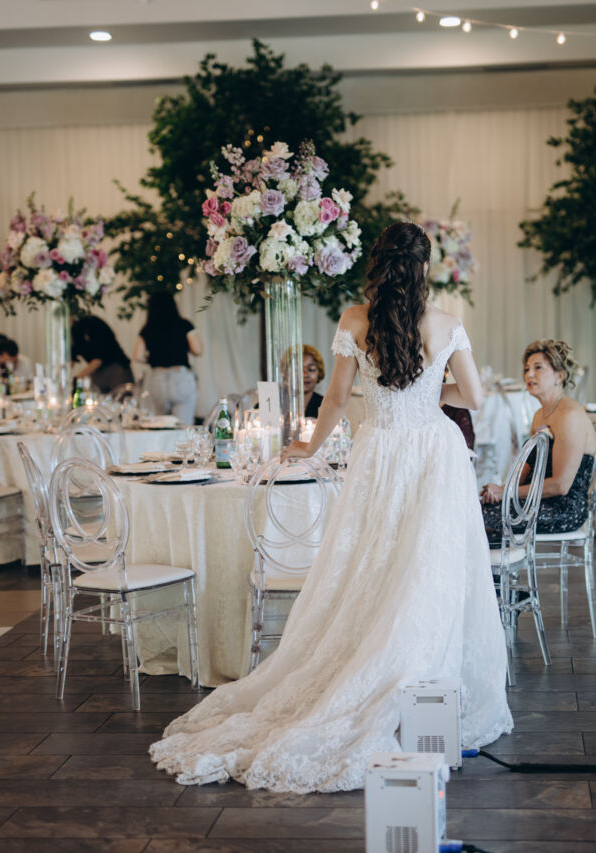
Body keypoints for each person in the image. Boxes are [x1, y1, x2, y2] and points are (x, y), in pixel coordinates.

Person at [149, 222, 512, 793]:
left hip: (379, 451)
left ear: (378, 264)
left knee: (371, 562)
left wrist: (308, 447)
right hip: (433, 452)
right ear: (424, 266)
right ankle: (425, 689)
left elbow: (337, 399)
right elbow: (475, 397)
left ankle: (375, 670)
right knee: (431, 568)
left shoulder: (354, 320)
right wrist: (427, 393)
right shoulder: (445, 322)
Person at [480, 340, 595, 542]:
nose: (529, 375)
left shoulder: (569, 415)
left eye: (538, 368)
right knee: (475, 507)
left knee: (483, 518)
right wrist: (498, 491)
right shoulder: (539, 415)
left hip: (563, 509)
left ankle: (503, 564)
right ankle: (501, 563)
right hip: (535, 501)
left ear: (560, 376)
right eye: (526, 369)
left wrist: (506, 493)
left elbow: (560, 486)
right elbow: (527, 471)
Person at [133, 292, 203, 424]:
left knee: (158, 425)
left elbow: (137, 356)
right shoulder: (184, 324)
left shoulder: (147, 328)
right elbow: (198, 350)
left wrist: (150, 359)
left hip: (157, 379)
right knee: (183, 426)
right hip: (180, 377)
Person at [71, 315, 134, 394]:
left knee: (121, 398)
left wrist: (77, 379)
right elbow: (70, 358)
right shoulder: (73, 333)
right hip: (98, 373)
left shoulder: (91, 323)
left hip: (116, 370)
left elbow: (98, 360)